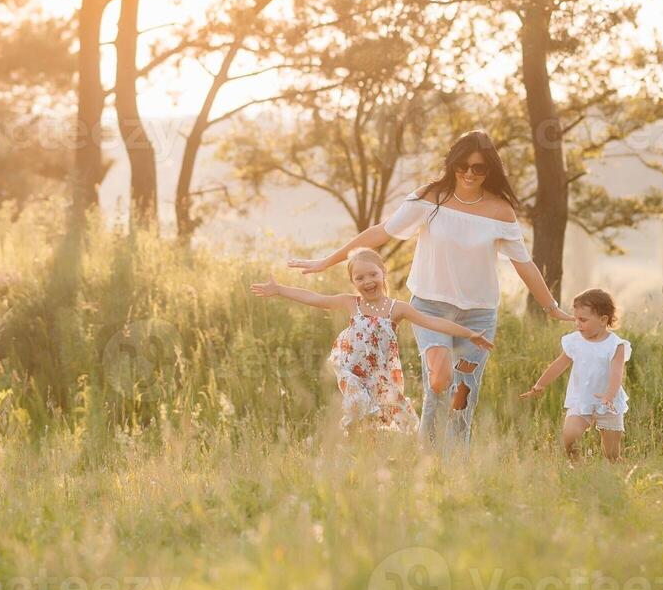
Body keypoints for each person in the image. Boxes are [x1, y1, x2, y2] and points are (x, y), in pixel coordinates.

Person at [288, 129, 572, 451]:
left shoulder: (500, 211)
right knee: (439, 378)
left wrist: (551, 306)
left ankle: (450, 464)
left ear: (489, 170)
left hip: (478, 314)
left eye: (478, 168)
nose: (468, 173)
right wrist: (327, 261)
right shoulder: (429, 198)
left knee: (463, 392)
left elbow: (524, 263)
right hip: (429, 307)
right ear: (452, 164)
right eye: (462, 165)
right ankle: (428, 453)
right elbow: (381, 232)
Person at [249, 247, 495, 434]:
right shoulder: (351, 303)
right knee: (359, 405)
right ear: (353, 282)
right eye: (359, 278)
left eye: (372, 274)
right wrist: (280, 290)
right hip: (351, 370)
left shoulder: (397, 309)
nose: (367, 282)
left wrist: (468, 333)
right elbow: (314, 297)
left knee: (401, 420)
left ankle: (403, 458)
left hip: (380, 374)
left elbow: (434, 322)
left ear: (383, 272)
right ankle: (358, 452)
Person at [521, 288, 630, 462]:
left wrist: (609, 396)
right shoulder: (575, 341)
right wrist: (540, 384)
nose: (577, 324)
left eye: (583, 320)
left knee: (611, 454)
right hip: (582, 398)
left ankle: (620, 470)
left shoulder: (615, 345)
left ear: (603, 320)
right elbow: (559, 364)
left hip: (608, 402)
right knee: (569, 436)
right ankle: (577, 468)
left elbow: (617, 374)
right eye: (576, 318)